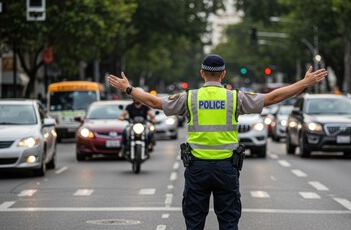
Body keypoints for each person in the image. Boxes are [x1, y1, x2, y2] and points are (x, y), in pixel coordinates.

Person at [108, 54, 327, 229]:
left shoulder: (190, 97)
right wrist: (304, 83)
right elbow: (273, 98)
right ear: (223, 74)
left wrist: (128, 89)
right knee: (229, 223)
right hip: (226, 169)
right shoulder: (235, 98)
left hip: (197, 169)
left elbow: (155, 103)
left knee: (194, 223)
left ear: (202, 73)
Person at [118, 93, 156, 158]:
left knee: (150, 132)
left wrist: (153, 119)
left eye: (138, 97)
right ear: (133, 98)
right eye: (135, 97)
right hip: (132, 124)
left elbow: (151, 115)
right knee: (124, 131)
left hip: (143, 125)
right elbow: (123, 115)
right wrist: (121, 117)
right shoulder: (129, 106)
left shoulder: (145, 107)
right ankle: (124, 147)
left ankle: (148, 146)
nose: (137, 99)